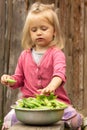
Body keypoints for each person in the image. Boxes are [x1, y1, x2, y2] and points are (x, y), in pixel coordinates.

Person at [1, 2, 83, 130]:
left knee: (74, 120)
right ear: (29, 33)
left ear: (54, 32)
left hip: (54, 104)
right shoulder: (24, 55)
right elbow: (18, 79)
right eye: (34, 30)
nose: (38, 33)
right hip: (29, 106)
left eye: (44, 29)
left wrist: (51, 87)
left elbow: (59, 74)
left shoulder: (56, 53)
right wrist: (9, 80)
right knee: (8, 121)